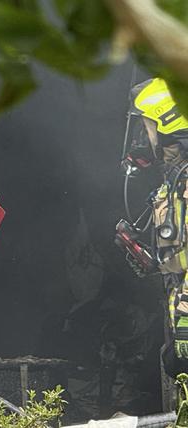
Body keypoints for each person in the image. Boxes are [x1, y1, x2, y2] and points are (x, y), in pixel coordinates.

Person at [126, 77, 188, 378]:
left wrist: (186, 320)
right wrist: (151, 260)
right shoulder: (175, 182)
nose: (142, 137)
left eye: (146, 125)